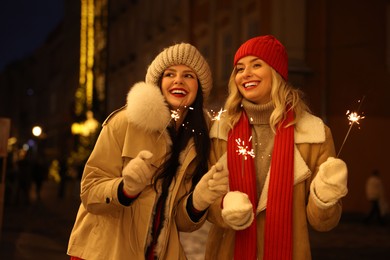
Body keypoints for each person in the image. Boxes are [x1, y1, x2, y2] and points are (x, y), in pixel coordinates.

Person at [67, 43, 229, 260]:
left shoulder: (197, 140)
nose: (178, 80)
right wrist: (125, 188)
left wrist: (197, 201)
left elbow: (180, 222)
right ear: (158, 83)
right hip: (106, 252)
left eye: (188, 75)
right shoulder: (124, 122)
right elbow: (89, 192)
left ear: (199, 87)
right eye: (169, 74)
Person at [204, 35, 348, 260]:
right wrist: (224, 206)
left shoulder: (314, 134)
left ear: (276, 72)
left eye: (257, 65)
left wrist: (325, 197)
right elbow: (208, 203)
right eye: (240, 68)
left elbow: (322, 222)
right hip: (229, 253)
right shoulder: (221, 132)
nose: (246, 73)